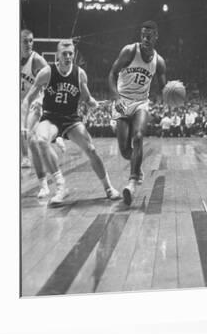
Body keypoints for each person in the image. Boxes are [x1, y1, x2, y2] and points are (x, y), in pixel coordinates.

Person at [22, 39, 120, 204]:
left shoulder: (80, 73)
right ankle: (61, 187)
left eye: (70, 54)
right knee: (40, 140)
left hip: (71, 119)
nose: (68, 57)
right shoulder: (47, 72)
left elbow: (87, 97)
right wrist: (24, 123)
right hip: (51, 117)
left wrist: (93, 103)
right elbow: (28, 99)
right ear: (57, 56)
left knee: (91, 149)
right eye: (64, 54)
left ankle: (108, 187)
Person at [108, 21, 166, 205]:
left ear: (156, 36)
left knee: (139, 136)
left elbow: (165, 88)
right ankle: (137, 166)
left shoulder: (159, 61)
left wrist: (173, 94)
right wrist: (116, 98)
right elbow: (111, 74)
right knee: (125, 150)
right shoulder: (130, 51)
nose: (145, 39)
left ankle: (132, 183)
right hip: (123, 100)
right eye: (143, 35)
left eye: (149, 36)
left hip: (141, 102)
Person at [20, 29, 49, 168]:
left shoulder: (37, 59)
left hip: (34, 101)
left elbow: (52, 74)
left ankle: (27, 158)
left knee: (26, 131)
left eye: (31, 40)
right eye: (25, 41)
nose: (29, 44)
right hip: (21, 101)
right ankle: (26, 157)